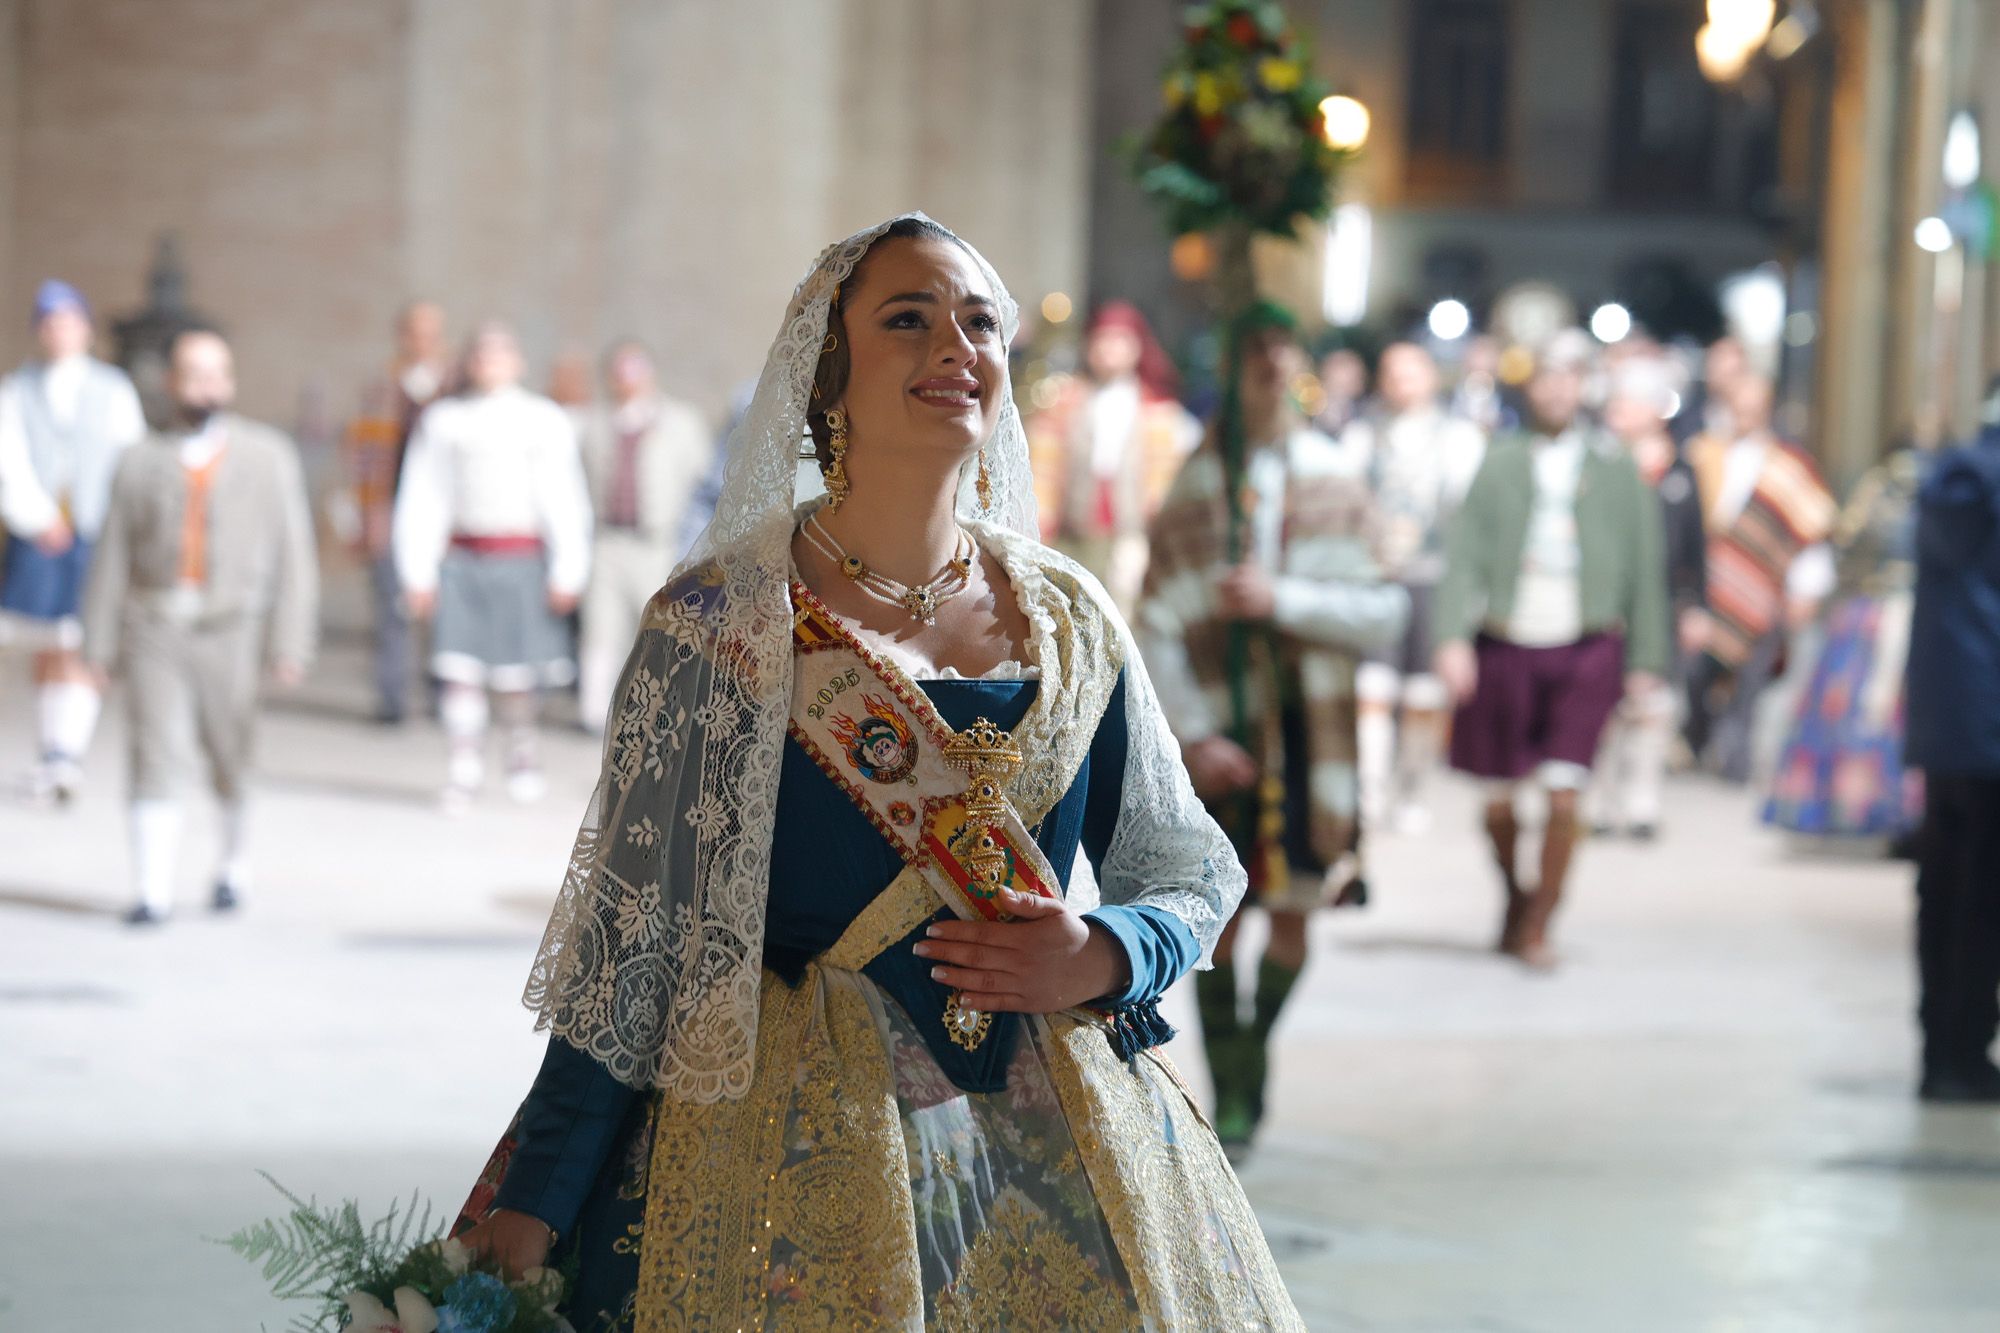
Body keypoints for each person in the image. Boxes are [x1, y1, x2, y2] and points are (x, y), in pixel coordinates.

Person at [448, 215, 1303, 1329]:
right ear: (827, 378)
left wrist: (1102, 951)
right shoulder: (719, 625)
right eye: (908, 319)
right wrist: (532, 1211)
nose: (956, 344)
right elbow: (634, 952)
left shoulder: (1070, 621)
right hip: (776, 1152)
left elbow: (1188, 865)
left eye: (979, 322)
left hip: (1053, 1148)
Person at [1139, 302, 1406, 1149]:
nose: (1269, 370)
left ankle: (1255, 1052)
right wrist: (1190, 733)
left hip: (1310, 730)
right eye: (1252, 355)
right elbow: (1154, 618)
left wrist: (1283, 599)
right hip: (1226, 730)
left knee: (1294, 905)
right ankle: (1229, 1079)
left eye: (1281, 355)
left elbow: (1384, 610)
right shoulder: (1199, 477)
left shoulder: (1337, 475)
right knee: (1220, 910)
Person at [1433, 334, 1669, 968]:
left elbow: (1646, 567)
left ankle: (1540, 922)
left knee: (1566, 790)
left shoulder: (1616, 465)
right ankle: (1515, 894)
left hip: (1588, 641)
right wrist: (1452, 636)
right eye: (1545, 376)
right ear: (1526, 383)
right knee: (1500, 793)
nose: (1559, 389)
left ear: (1587, 385)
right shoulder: (1500, 460)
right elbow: (1463, 555)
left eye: (1571, 376)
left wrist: (1647, 658)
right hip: (1508, 638)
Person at [80, 328, 318, 926]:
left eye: (218, 374)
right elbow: (112, 555)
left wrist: (290, 641)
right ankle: (151, 890)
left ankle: (232, 867)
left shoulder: (266, 457)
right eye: (195, 374)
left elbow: (295, 553)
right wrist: (98, 642)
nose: (208, 386)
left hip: (232, 625)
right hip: (155, 622)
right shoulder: (138, 461)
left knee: (229, 751)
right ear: (171, 382)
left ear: (231, 383)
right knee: (154, 750)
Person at [393, 320, 592, 808]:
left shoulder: (543, 419)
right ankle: (464, 767)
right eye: (482, 353)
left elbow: (565, 498)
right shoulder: (444, 420)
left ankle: (521, 754)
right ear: (470, 361)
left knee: (516, 677)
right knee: (460, 671)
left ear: (518, 361)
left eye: (501, 353)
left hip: (521, 561)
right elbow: (423, 496)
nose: (490, 362)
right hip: (462, 562)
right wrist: (416, 571)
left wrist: (569, 569)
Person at [0, 280, 146, 802]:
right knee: (46, 637)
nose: (59, 332)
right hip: (41, 530)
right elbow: (8, 459)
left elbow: (129, 459)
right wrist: (35, 515)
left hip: (94, 528)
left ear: (84, 328)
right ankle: (51, 749)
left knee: (85, 637)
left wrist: (116, 523)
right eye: (49, 322)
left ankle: (69, 751)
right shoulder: (18, 389)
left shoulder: (112, 390)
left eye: (68, 321)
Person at [1341, 340, 1487, 833]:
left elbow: (1470, 518)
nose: (1402, 383)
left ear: (1431, 377)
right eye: (1392, 373)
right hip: (1376, 577)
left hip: (1435, 577)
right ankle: (1371, 789)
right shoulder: (1362, 436)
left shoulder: (1461, 439)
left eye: (1412, 372)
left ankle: (1412, 790)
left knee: (1425, 694)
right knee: (1372, 689)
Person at [1905, 404, 2000, 1102]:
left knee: (1948, 887)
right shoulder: (1982, 481)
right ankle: (1959, 1049)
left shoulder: (1956, 475)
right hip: (1985, 718)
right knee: (1980, 894)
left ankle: (1947, 1044)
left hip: (1952, 721)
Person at [1764, 444, 1926, 840]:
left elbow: (1847, 546)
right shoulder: (1886, 491)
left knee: (1877, 711)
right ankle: (1865, 810)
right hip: (1880, 612)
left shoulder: (1880, 491)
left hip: (1883, 613)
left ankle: (1881, 809)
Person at [1588, 356, 1706, 839]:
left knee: (1652, 701)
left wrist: (1696, 604)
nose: (1619, 412)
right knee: (1603, 701)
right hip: (1606, 597)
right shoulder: (1599, 466)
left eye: (1629, 403)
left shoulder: (1678, 473)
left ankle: (1641, 797)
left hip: (1659, 600)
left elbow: (1695, 546)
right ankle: (1598, 796)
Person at [575, 339, 713, 731]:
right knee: (601, 626)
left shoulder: (680, 422)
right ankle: (597, 713)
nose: (627, 379)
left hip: (658, 541)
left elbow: (702, 486)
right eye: (619, 370)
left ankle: (660, 709)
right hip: (607, 539)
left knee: (660, 628)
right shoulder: (595, 424)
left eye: (634, 368)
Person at [1029, 301, 1199, 612]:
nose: (1109, 350)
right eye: (1102, 340)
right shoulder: (1064, 403)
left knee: (1125, 609)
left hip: (1131, 533)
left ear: (1137, 348)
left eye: (1119, 341)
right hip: (1074, 532)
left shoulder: (1159, 412)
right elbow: (1043, 468)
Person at [340, 300, 450, 724]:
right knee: (390, 607)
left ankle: (443, 696)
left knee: (442, 610)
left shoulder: (455, 386)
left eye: (430, 333)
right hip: (389, 509)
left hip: (440, 516)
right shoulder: (382, 388)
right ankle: (392, 700)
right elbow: (359, 458)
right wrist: (359, 519)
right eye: (413, 332)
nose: (422, 342)